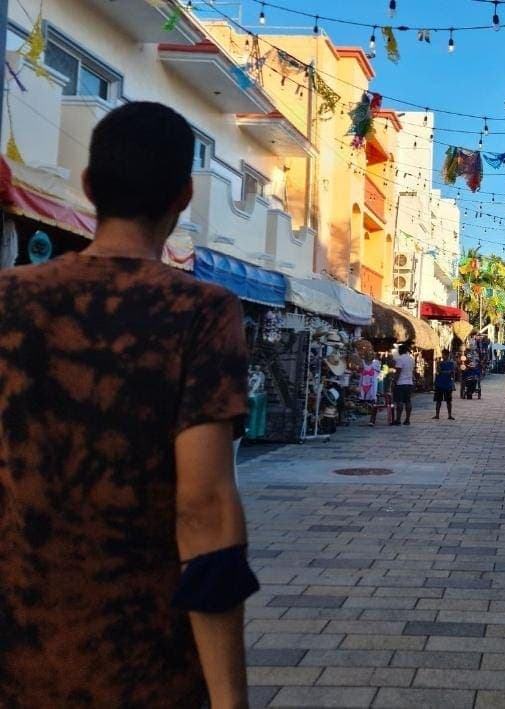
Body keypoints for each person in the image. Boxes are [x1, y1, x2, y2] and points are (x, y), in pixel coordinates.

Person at [0, 102, 258, 706]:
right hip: (142, 661)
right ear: (184, 196)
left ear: (89, 187)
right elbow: (204, 506)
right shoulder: (199, 311)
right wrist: (229, 698)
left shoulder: (8, 299)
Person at [355, 339, 381, 426]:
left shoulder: (376, 363)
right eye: (368, 353)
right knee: (363, 403)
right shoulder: (362, 362)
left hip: (372, 386)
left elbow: (378, 375)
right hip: (362, 386)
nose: (370, 355)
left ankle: (372, 420)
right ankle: (364, 416)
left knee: (373, 403)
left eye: (371, 353)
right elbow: (358, 370)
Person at [390, 342, 416, 425]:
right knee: (408, 401)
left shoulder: (400, 359)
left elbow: (398, 372)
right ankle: (407, 419)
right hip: (409, 383)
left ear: (401, 350)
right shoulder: (411, 359)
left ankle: (398, 420)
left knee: (399, 402)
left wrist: (394, 381)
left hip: (401, 383)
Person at [433, 349, 457, 420]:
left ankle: (442, 415)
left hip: (443, 384)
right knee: (442, 401)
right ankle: (443, 415)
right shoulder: (451, 363)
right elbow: (452, 373)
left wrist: (442, 370)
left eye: (443, 354)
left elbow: (439, 371)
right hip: (444, 384)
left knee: (443, 401)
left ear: (446, 355)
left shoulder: (442, 363)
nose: (442, 356)